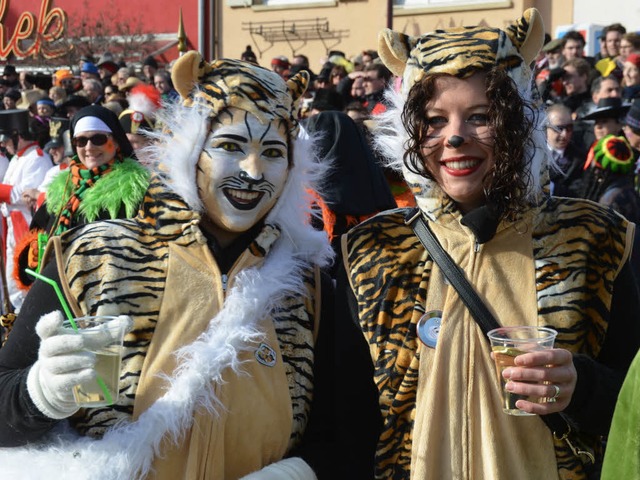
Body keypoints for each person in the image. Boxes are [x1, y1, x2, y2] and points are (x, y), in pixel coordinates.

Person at [0, 51, 353, 479]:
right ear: (190, 150)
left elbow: (348, 430)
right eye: (229, 145)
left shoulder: (307, 284)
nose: (253, 171)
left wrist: (297, 473)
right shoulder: (92, 257)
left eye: (273, 152)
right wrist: (40, 393)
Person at [337, 8, 640, 480]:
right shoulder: (374, 249)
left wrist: (583, 387)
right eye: (434, 120)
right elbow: (347, 422)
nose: (454, 137)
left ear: (518, 123)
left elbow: (632, 401)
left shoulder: (594, 239)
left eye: (480, 116)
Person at [12, 105, 150, 292]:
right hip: (58, 292)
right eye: (81, 141)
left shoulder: (137, 189)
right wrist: (33, 254)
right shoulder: (61, 188)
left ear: (116, 142)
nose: (89, 147)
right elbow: (38, 232)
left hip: (111, 297)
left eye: (98, 139)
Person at [0, 109, 52, 312]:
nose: (3, 144)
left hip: (27, 227)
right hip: (12, 226)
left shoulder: (37, 158)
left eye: (6, 139)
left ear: (18, 136)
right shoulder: (16, 159)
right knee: (13, 287)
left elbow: (28, 195)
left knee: (27, 284)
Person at [545, 103, 587, 197]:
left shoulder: (579, 159)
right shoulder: (532, 151)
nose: (565, 134)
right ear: (545, 128)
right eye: (558, 128)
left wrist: (550, 187)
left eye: (569, 128)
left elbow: (577, 192)